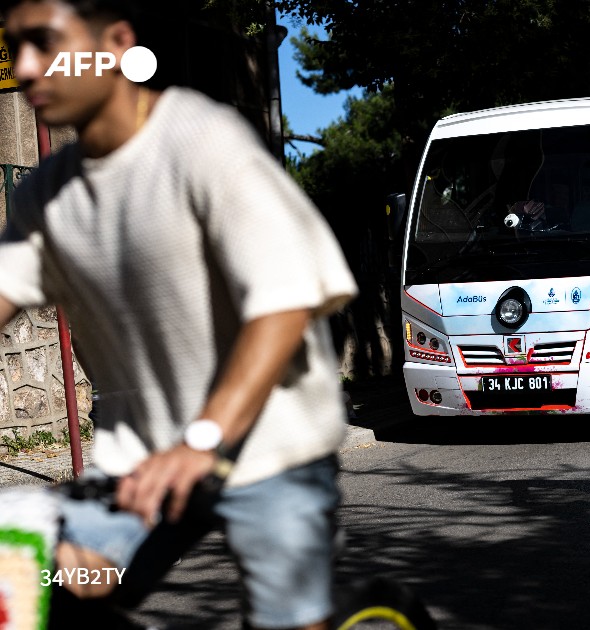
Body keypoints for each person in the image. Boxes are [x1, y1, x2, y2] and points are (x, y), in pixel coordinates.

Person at [0, 1, 358, 629]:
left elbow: (283, 305)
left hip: (271, 450)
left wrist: (201, 442)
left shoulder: (202, 141)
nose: (26, 66)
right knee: (30, 579)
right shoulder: (46, 194)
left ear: (116, 43)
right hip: (143, 466)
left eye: (45, 43)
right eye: (15, 46)